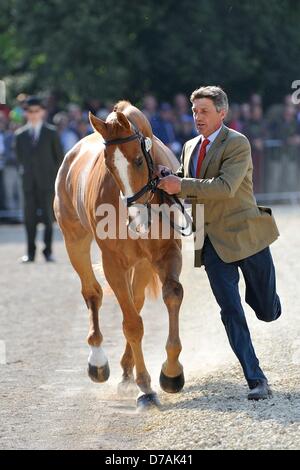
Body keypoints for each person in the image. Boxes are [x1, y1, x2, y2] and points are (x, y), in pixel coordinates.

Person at [157, 86, 282, 400]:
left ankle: (267, 304)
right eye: (195, 111)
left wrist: (180, 183)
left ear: (222, 113)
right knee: (230, 311)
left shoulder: (237, 143)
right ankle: (256, 380)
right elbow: (186, 177)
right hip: (210, 242)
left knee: (267, 311)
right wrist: (169, 177)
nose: (197, 117)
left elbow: (225, 186)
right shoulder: (188, 146)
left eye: (204, 111)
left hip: (246, 236)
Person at [15, 96, 64, 263]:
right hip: (28, 184)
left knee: (49, 219)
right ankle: (30, 252)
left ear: (42, 112)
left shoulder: (51, 133)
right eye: (30, 111)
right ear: (26, 113)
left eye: (36, 111)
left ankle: (48, 251)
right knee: (29, 220)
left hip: (47, 183)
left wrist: (53, 179)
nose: (34, 114)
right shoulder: (20, 135)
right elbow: (19, 159)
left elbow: (59, 158)